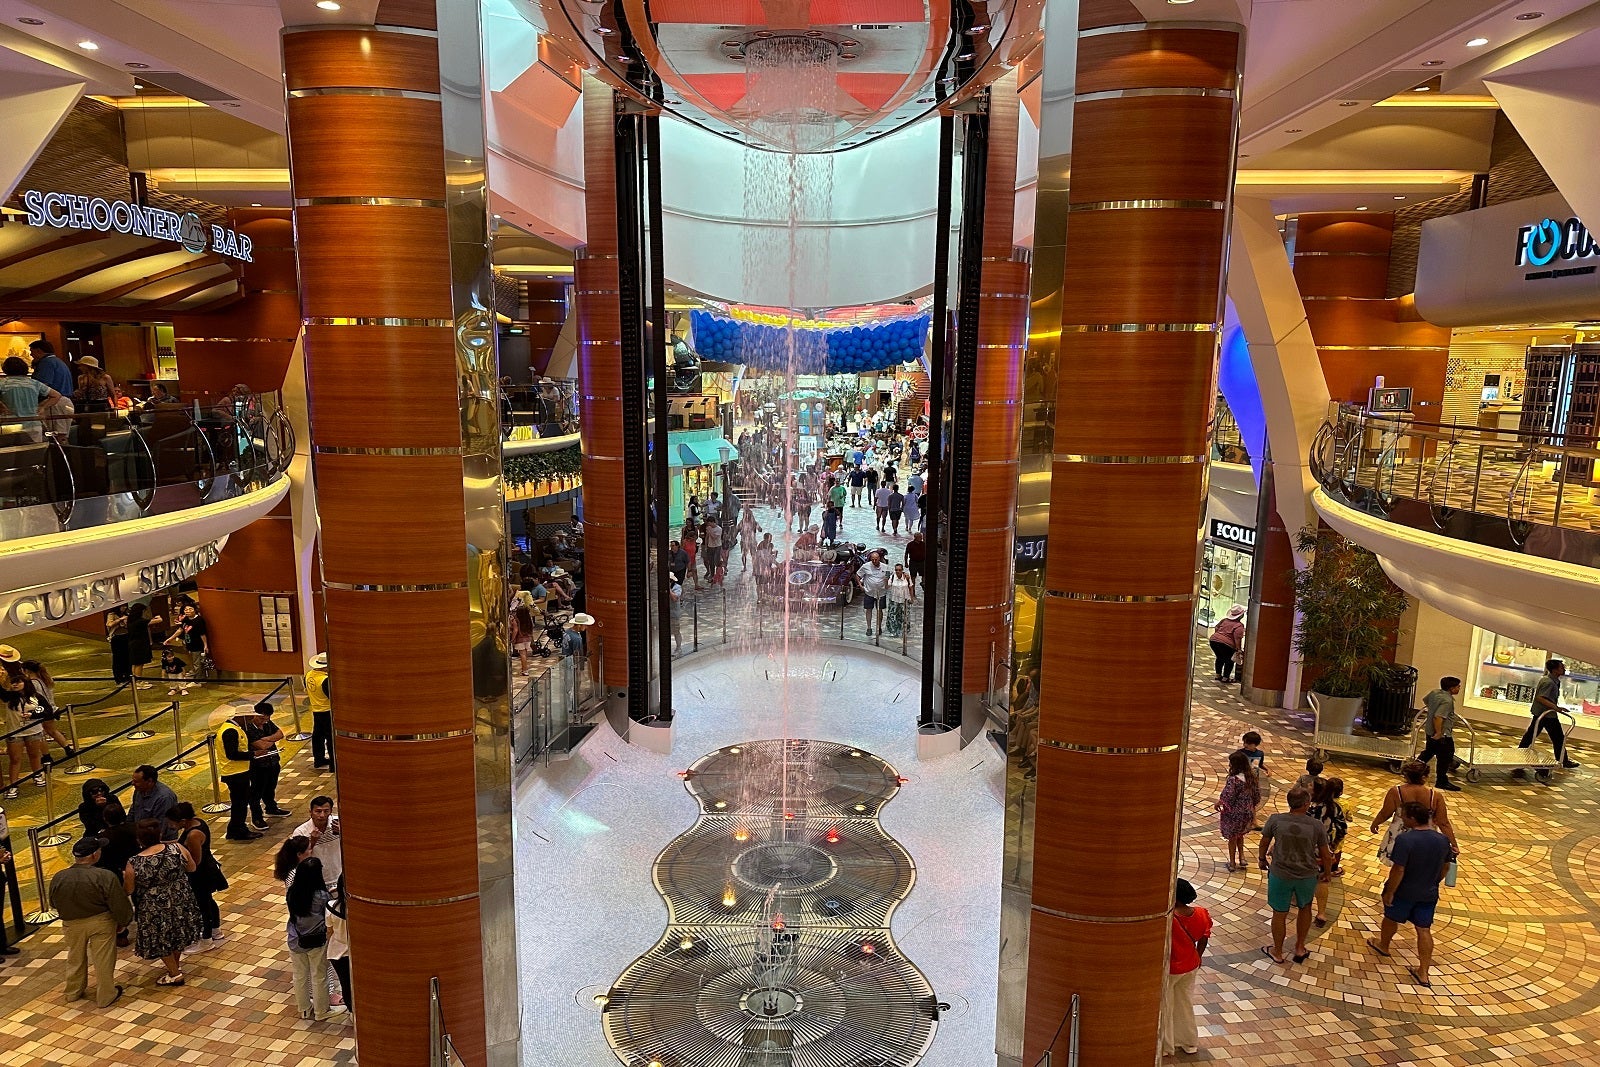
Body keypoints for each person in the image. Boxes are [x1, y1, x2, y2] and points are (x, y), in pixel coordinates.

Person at [1367, 801, 1454, 988]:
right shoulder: (1442, 840)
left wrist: (1390, 891)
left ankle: (1384, 945)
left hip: (1404, 890)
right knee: (1424, 929)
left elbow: (1398, 869)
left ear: (1413, 819)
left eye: (1404, 816)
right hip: (1428, 892)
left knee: (1391, 918)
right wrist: (1434, 882)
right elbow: (1446, 866)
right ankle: (1423, 972)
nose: (1402, 818)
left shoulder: (1406, 840)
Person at [51, 837, 132, 1008]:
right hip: (100, 921)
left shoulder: (59, 877)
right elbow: (117, 902)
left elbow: (53, 902)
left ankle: (73, 992)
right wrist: (124, 920)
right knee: (103, 959)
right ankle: (105, 995)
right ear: (95, 855)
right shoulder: (104, 876)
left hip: (71, 923)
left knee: (75, 957)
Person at [1258, 786, 1334, 964]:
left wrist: (1262, 859)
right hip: (1306, 875)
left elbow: (1264, 842)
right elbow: (1326, 854)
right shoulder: (1316, 825)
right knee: (1305, 908)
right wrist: (1327, 873)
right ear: (1306, 804)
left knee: (1279, 912)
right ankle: (1300, 947)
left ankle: (1277, 952)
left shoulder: (1275, 820)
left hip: (1280, 874)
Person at [124, 817, 203, 986]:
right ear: (159, 834)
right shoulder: (177, 848)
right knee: (177, 933)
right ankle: (175, 966)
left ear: (139, 839)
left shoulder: (134, 862)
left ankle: (174, 973)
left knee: (161, 938)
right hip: (180, 898)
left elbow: (129, 889)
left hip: (153, 906)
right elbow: (192, 867)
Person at [286, 856, 346, 1020]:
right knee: (319, 976)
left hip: (295, 939)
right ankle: (321, 1011)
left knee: (300, 976)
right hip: (316, 941)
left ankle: (304, 1009)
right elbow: (326, 914)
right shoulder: (321, 896)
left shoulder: (292, 893)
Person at [1370, 759, 1458, 864]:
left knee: (1398, 865)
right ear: (1425, 776)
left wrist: (1375, 823)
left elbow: (1385, 813)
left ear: (1406, 776)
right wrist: (1453, 844)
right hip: (1426, 838)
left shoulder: (1396, 792)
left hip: (1399, 835)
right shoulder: (1435, 796)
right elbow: (1443, 823)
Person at [1164, 878, 1211, 1058]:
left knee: (1167, 1006)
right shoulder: (1202, 913)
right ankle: (1189, 1042)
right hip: (1191, 965)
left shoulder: (1170, 919)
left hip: (1171, 969)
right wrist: (1198, 956)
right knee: (1185, 1004)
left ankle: (1166, 1046)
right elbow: (1204, 937)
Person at [171, 802, 227, 948]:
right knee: (208, 901)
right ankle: (215, 930)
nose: (171, 826)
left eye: (172, 823)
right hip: (205, 870)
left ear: (183, 821)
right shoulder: (197, 822)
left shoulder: (193, 835)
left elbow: (195, 861)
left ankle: (206, 940)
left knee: (203, 906)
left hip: (201, 874)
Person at [1519, 659, 1579, 769]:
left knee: (1531, 735)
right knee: (1558, 738)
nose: (1564, 669)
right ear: (1555, 670)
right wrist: (1555, 708)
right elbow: (1540, 698)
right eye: (1561, 667)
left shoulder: (1553, 681)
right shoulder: (1548, 682)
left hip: (1544, 713)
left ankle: (1520, 755)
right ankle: (1563, 760)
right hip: (1546, 714)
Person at [1308, 777, 1348, 927]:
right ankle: (1321, 912)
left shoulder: (1309, 806)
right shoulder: (1335, 807)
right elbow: (1342, 829)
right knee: (1322, 880)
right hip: (1324, 849)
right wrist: (1332, 846)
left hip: (1306, 848)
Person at [214, 710, 260, 841]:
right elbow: (232, 754)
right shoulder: (230, 731)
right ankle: (239, 831)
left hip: (239, 772)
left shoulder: (233, 728)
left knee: (239, 803)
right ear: (242, 717)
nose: (251, 720)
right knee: (240, 804)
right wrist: (253, 754)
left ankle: (234, 829)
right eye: (249, 717)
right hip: (235, 773)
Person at [246, 703, 291, 826]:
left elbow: (280, 734)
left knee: (271, 786)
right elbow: (261, 746)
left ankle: (271, 807)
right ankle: (257, 817)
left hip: (273, 760)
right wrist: (272, 739)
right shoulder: (248, 727)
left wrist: (266, 739)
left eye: (267, 718)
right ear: (255, 715)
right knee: (256, 791)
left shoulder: (267, 723)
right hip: (258, 765)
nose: (264, 721)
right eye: (261, 718)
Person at [1215, 750, 1259, 872]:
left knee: (1232, 837)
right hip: (1246, 812)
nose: (1229, 765)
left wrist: (1219, 803)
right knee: (1240, 835)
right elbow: (1256, 795)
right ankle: (1242, 857)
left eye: (1231, 763)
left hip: (1234, 813)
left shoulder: (1233, 779)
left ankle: (1232, 862)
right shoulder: (1251, 777)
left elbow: (1228, 795)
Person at [0, 355, 62, 441]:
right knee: (35, 449)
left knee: (12, 449)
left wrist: (2, 406)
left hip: (10, 424)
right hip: (34, 423)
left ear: (5, 369)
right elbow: (56, 395)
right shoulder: (34, 383)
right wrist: (42, 407)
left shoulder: (3, 383)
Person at [1420, 676, 1463, 790]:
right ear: (1451, 688)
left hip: (1429, 731)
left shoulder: (1434, 693)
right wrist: (1439, 733)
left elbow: (1426, 700)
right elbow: (1438, 717)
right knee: (1445, 756)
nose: (1459, 688)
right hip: (1442, 735)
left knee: (1429, 751)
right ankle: (1441, 781)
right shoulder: (1447, 701)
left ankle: (1413, 770)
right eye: (1458, 686)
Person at [292, 796, 343, 892]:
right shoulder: (301, 832)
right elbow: (298, 858)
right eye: (318, 811)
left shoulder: (339, 823)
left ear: (331, 811)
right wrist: (312, 842)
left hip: (340, 877)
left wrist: (344, 833)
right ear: (310, 812)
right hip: (316, 882)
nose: (322, 815)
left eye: (326, 811)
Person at [128, 764, 180, 841]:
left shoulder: (164, 797)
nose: (132, 783)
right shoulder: (139, 790)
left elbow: (160, 827)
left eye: (136, 781)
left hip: (161, 840)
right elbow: (133, 811)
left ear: (149, 781)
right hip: (142, 836)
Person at [305, 652, 334, 771]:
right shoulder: (325, 680)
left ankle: (318, 759)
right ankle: (333, 764)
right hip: (327, 711)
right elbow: (331, 697)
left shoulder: (309, 675)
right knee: (330, 738)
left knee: (317, 736)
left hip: (316, 709)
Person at [855, 550, 891, 637]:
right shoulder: (865, 566)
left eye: (876, 559)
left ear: (879, 559)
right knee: (868, 609)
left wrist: (887, 583)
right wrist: (860, 585)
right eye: (873, 559)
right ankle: (869, 627)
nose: (874, 561)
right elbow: (858, 575)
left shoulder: (886, 567)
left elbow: (888, 577)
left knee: (880, 610)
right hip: (869, 592)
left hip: (881, 593)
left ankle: (879, 627)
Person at [126, 603, 163, 689]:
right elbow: (159, 620)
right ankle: (138, 682)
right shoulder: (140, 621)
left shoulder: (130, 620)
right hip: (139, 644)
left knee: (135, 663)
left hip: (133, 643)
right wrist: (158, 617)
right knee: (139, 663)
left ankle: (135, 680)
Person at [1208, 605, 1246, 683]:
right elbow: (1237, 638)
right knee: (1229, 660)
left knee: (1219, 657)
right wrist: (1238, 649)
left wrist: (1219, 637)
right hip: (1226, 644)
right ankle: (1225, 678)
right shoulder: (1239, 625)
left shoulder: (1224, 620)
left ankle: (1218, 675)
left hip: (1213, 640)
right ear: (1241, 615)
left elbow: (1216, 627)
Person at [885, 562, 916, 637]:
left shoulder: (907, 577)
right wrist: (885, 580)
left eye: (899, 570)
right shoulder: (892, 577)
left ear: (902, 570)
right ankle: (893, 630)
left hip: (904, 600)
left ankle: (903, 630)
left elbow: (911, 587)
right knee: (893, 616)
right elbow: (887, 587)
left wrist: (912, 598)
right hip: (894, 600)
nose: (898, 571)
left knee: (904, 616)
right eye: (896, 570)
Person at [509, 594, 537, 677]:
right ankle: (525, 669)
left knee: (522, 654)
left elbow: (515, 630)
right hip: (528, 638)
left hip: (520, 639)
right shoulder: (528, 619)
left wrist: (512, 639)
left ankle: (525, 670)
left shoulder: (516, 620)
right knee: (525, 653)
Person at [105, 605, 132, 684]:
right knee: (118, 658)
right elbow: (109, 624)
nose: (125, 608)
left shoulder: (126, 613)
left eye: (125, 606)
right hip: (116, 638)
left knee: (127, 657)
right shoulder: (112, 614)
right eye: (123, 606)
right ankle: (119, 678)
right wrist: (120, 619)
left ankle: (128, 676)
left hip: (126, 636)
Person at [703, 517, 724, 585]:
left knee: (717, 562)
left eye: (709, 523)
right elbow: (707, 537)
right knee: (711, 562)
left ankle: (719, 573)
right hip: (710, 546)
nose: (708, 524)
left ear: (713, 522)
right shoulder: (708, 528)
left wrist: (710, 531)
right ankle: (712, 575)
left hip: (717, 546)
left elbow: (714, 537)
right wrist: (706, 546)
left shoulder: (719, 529)